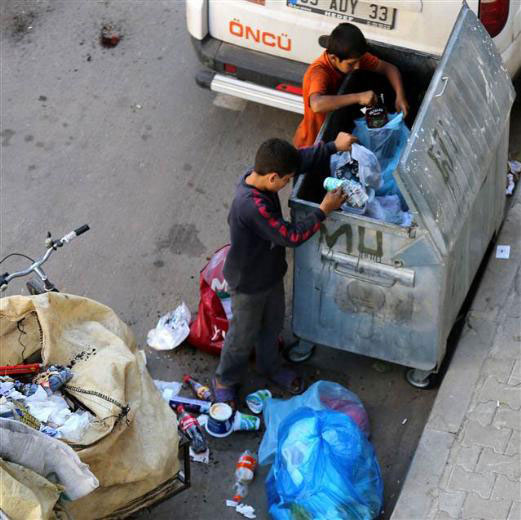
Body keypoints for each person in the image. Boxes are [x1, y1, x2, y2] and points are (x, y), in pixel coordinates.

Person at [212, 132, 357, 407]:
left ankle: (270, 366)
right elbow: (290, 236)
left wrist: (332, 147)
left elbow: (298, 159)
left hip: (270, 273)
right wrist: (323, 210)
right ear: (272, 178)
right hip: (249, 284)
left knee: (272, 326)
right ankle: (225, 379)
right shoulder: (251, 206)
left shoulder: (261, 174)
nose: (288, 183)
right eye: (286, 181)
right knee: (242, 336)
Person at [294, 23, 409, 148]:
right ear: (333, 58)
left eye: (358, 61)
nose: (357, 67)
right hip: (312, 143)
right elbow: (317, 104)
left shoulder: (354, 58)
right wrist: (359, 97)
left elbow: (389, 68)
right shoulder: (319, 72)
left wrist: (400, 96)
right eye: (351, 64)